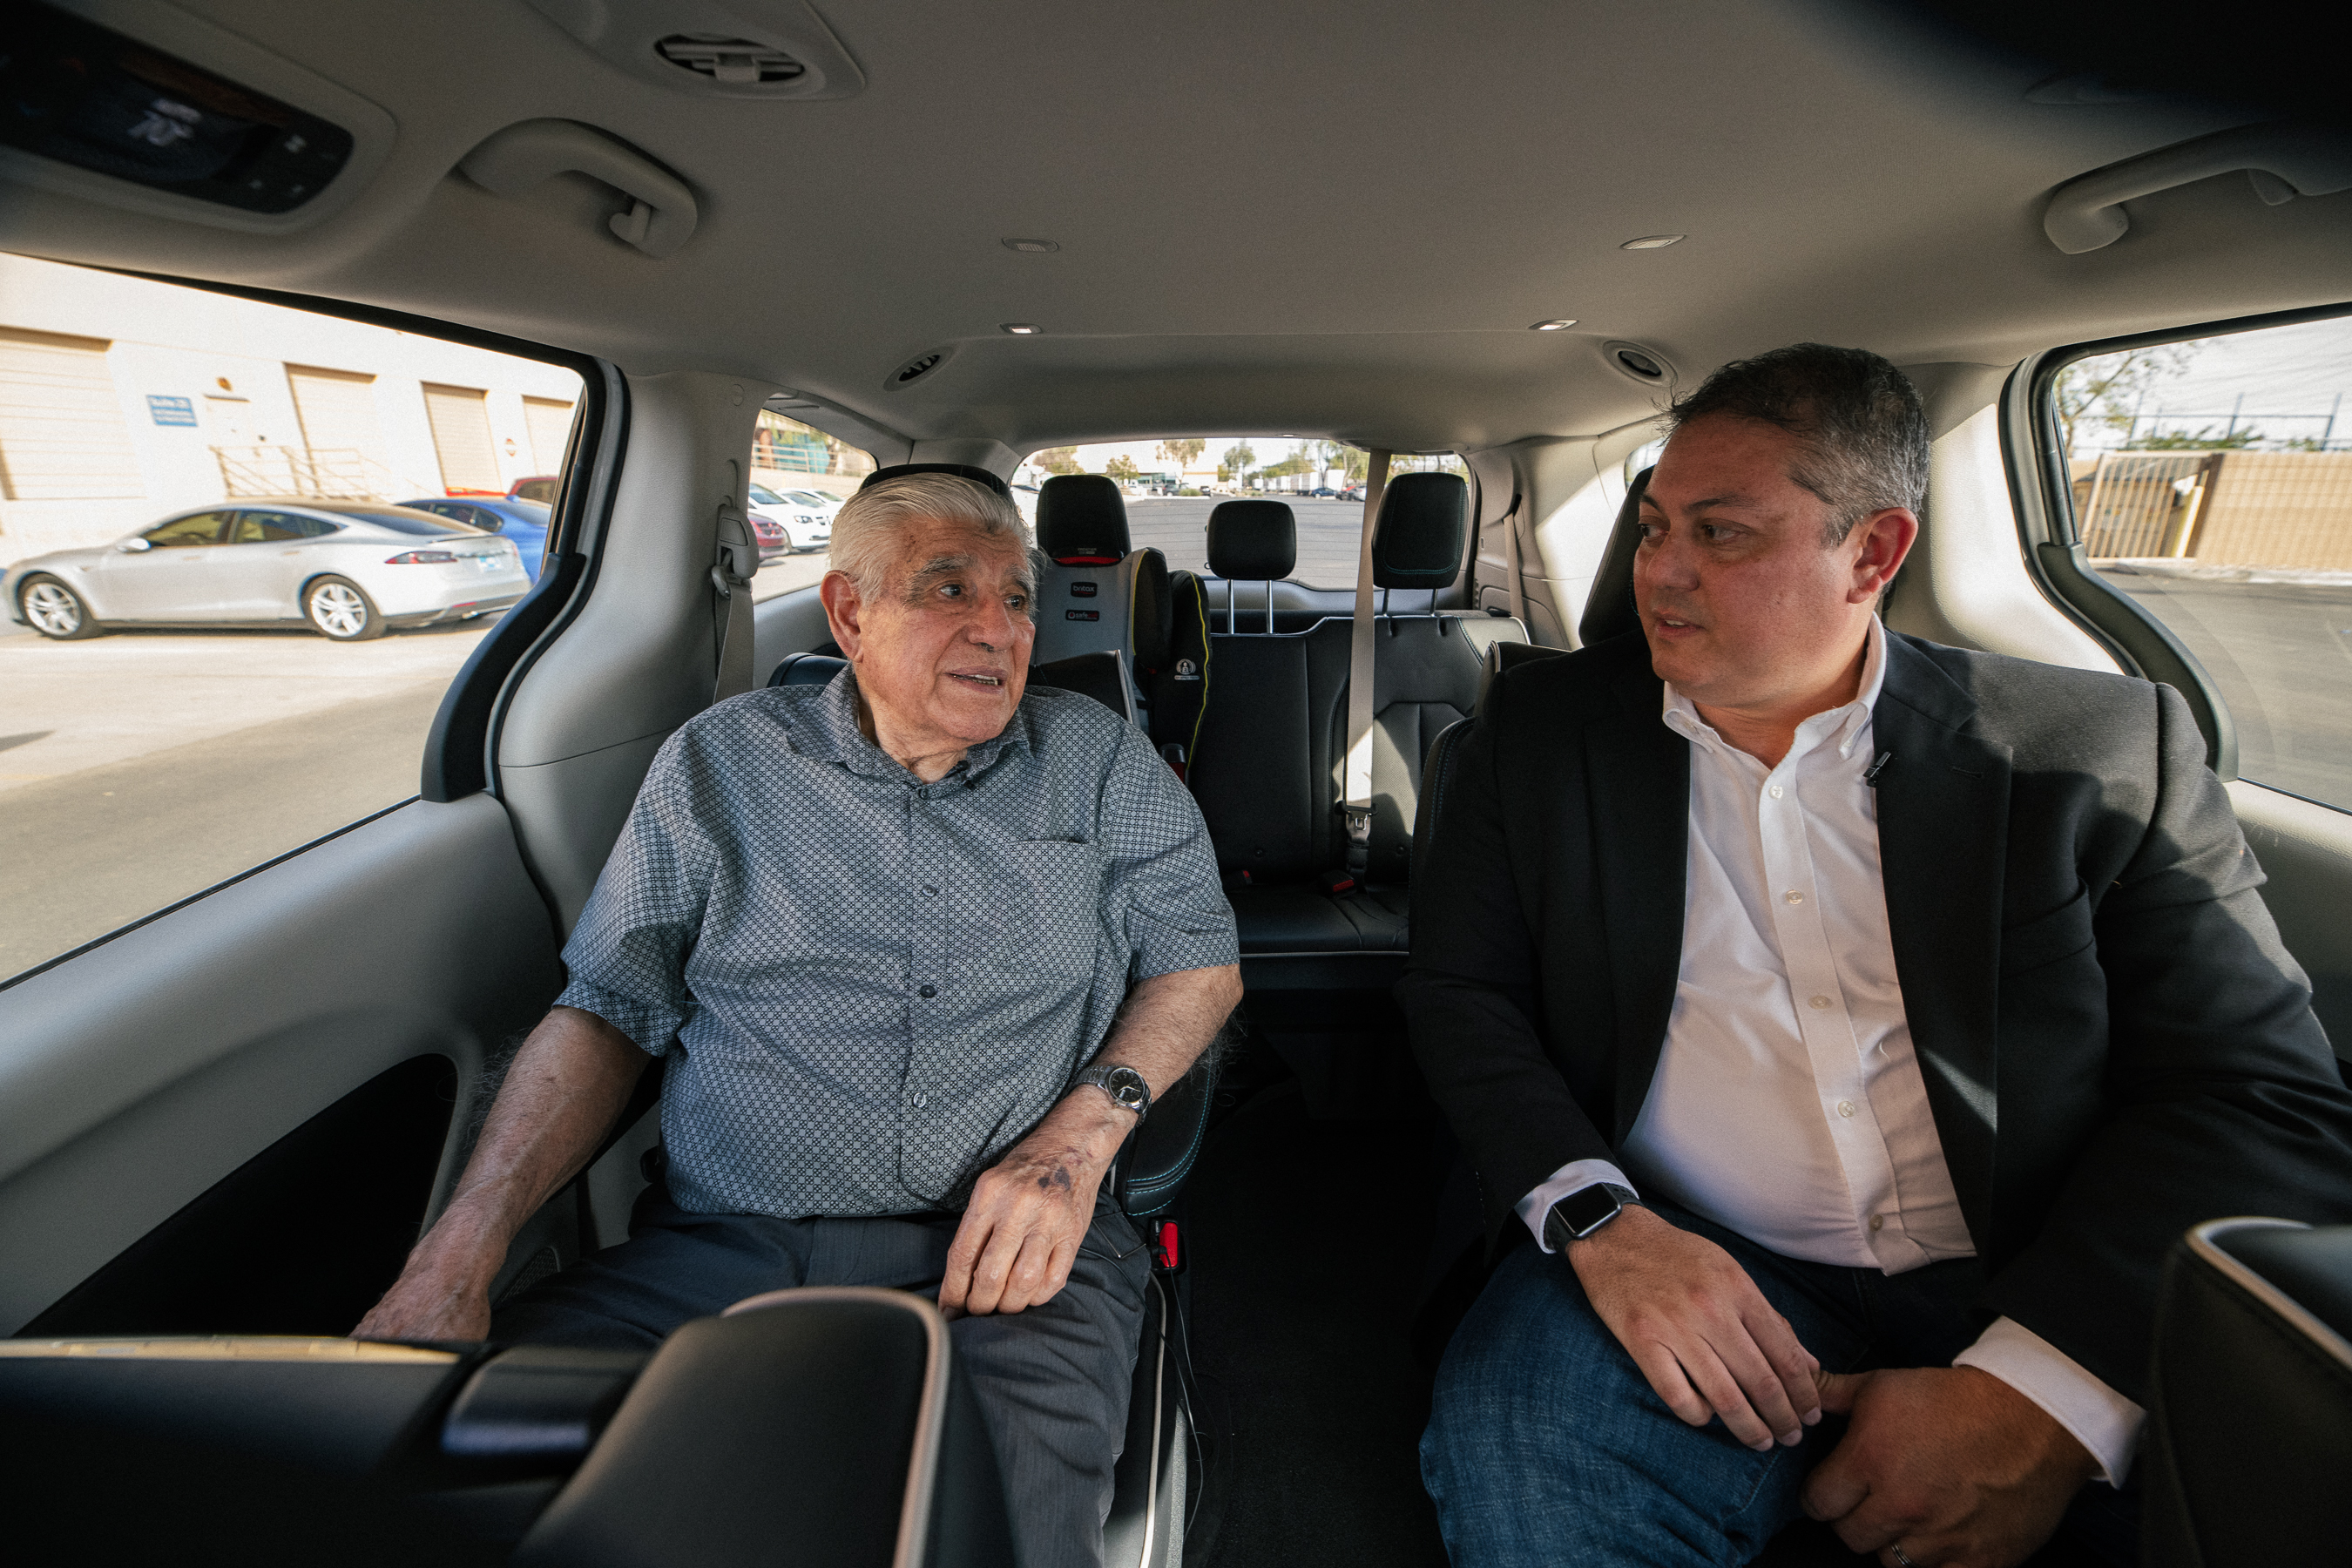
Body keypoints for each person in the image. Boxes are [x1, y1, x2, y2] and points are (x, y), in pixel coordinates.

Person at [1399, 344, 2352, 1568]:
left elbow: (2259, 1092)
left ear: (1875, 553)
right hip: (1690, 1246)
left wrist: (2041, 1391)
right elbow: (1462, 995)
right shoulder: (1540, 735)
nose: (1662, 572)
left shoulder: (2091, 755)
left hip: (2040, 1265)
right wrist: (1601, 1221)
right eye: (1651, 529)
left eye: (1723, 534)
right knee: (1519, 1428)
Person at [355, 472, 1242, 1568]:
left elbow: (1200, 965)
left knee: (994, 1520)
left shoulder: (1094, 759)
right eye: (949, 588)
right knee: (459, 1478)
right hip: (715, 1248)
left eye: (1018, 598)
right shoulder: (719, 763)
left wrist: (1080, 1138)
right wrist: (461, 1250)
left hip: (1003, 1260)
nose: (997, 628)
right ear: (849, 612)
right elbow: (608, 1009)